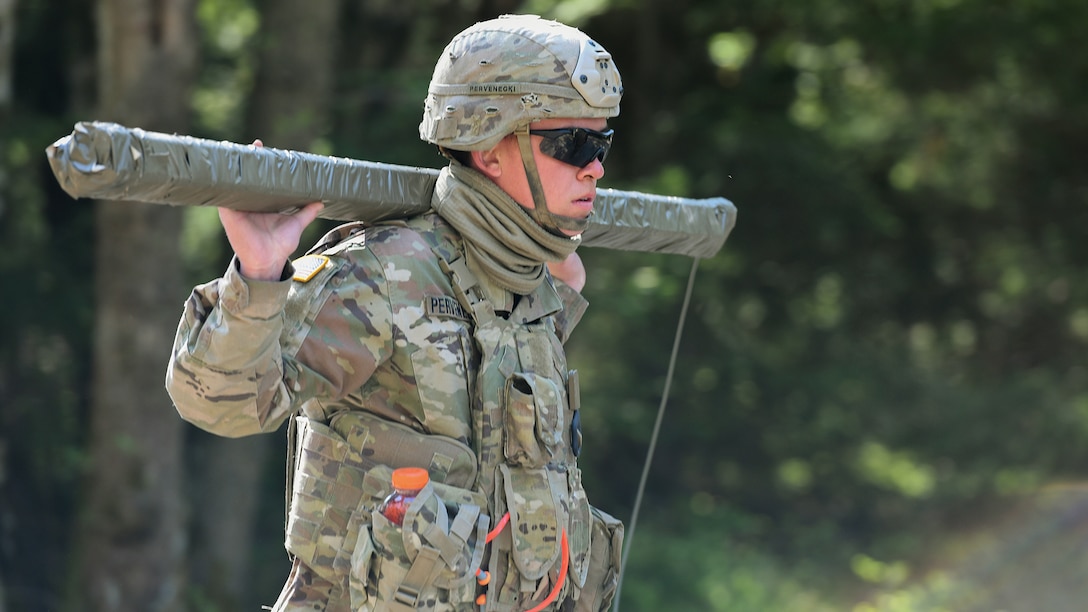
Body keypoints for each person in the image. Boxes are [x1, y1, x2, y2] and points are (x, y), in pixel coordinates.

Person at [167, 14, 625, 612]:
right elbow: (218, 403)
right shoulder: (385, 273)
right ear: (490, 149)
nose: (595, 167)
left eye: (603, 145)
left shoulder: (531, 288)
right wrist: (257, 277)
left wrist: (554, 279)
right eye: (574, 146)